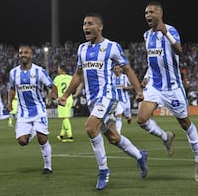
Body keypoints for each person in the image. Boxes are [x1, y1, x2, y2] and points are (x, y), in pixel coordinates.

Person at [58, 12, 148, 190]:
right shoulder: (82, 49)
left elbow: (127, 69)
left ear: (100, 27)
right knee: (114, 138)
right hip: (93, 100)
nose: (86, 27)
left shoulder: (112, 47)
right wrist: (66, 95)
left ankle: (103, 171)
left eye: (90, 23)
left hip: (107, 96)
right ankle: (140, 156)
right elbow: (78, 74)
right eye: (84, 24)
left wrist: (138, 90)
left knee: (90, 128)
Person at [136, 1, 198, 182]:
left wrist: (166, 33)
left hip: (173, 87)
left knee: (185, 124)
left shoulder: (171, 30)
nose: (147, 15)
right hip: (155, 87)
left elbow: (179, 50)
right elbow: (153, 60)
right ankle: (165, 136)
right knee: (141, 119)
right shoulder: (146, 35)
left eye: (151, 12)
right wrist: (146, 75)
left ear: (160, 13)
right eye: (145, 12)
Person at [7, 45, 58, 175]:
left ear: (31, 55)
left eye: (26, 53)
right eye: (21, 53)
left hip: (38, 110)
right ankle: (33, 131)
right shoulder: (13, 73)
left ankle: (48, 167)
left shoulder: (39, 71)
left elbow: (53, 86)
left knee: (42, 139)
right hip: (23, 113)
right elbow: (12, 89)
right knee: (22, 142)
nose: (23, 55)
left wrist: (53, 94)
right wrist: (9, 102)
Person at [53, 65, 83, 142]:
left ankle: (70, 136)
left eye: (58, 69)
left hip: (62, 99)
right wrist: (76, 94)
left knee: (65, 118)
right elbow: (79, 84)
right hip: (69, 99)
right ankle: (61, 135)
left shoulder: (57, 78)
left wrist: (55, 97)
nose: (58, 70)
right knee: (65, 117)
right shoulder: (70, 77)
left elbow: (54, 89)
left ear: (61, 70)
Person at [113, 64, 133, 134]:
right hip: (117, 101)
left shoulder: (125, 77)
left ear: (120, 69)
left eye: (117, 69)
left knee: (128, 117)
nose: (116, 70)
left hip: (125, 100)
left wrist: (126, 88)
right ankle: (118, 133)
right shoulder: (111, 78)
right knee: (118, 114)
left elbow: (132, 85)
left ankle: (129, 116)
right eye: (115, 69)